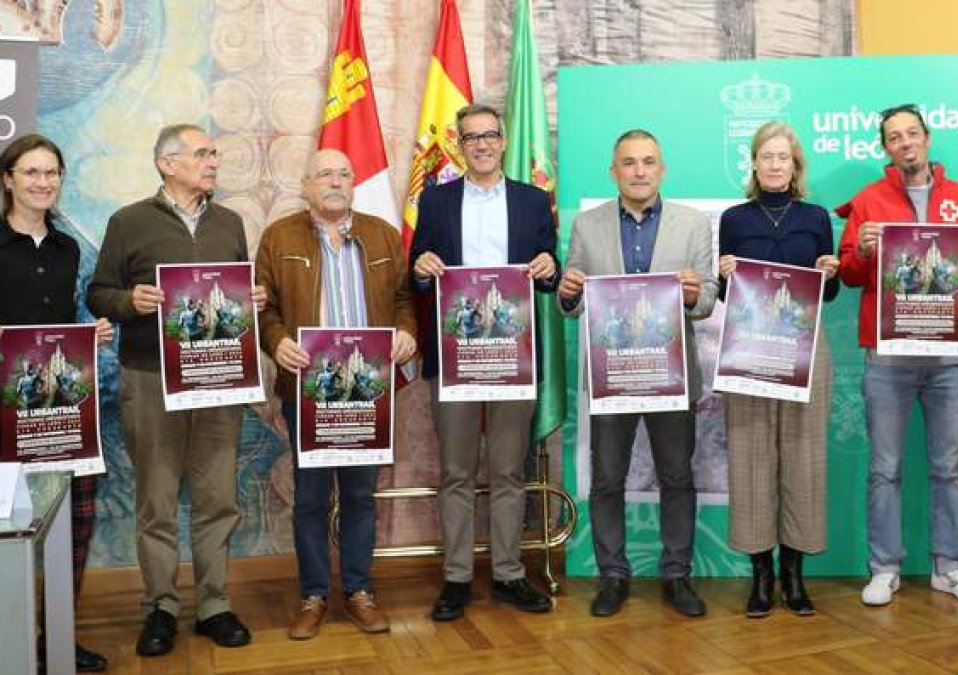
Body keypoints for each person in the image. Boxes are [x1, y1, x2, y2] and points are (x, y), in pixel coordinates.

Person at [87, 123, 265, 656]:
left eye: (213, 154)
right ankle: (161, 607)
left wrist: (251, 299)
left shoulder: (230, 222)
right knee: (157, 501)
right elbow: (100, 293)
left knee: (217, 498)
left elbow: (234, 298)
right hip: (150, 378)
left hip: (218, 381)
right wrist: (129, 302)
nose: (212, 161)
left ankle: (214, 605)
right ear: (168, 163)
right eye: (202, 154)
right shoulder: (128, 222)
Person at [256, 148, 417, 639]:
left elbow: (404, 298)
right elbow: (262, 304)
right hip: (308, 388)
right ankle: (312, 595)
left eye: (344, 173)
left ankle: (359, 591)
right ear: (306, 184)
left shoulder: (381, 234)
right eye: (324, 174)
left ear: (353, 182)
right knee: (309, 497)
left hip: (368, 388)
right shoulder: (279, 237)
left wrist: (407, 332)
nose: (335, 181)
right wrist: (277, 341)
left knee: (361, 495)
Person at [835, 104, 958, 606]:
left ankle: (950, 565)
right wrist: (859, 249)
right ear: (885, 148)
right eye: (893, 137)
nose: (904, 142)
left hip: (948, 355)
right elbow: (848, 275)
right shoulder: (867, 200)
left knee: (948, 468)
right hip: (888, 357)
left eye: (911, 133)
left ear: (927, 137)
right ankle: (884, 567)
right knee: (885, 468)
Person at [557, 129, 718, 618]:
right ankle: (613, 576)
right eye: (629, 162)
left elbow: (709, 295)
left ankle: (677, 575)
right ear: (615, 172)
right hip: (612, 376)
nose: (640, 170)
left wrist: (694, 295)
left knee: (677, 477)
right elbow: (572, 300)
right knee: (607, 479)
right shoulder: (587, 226)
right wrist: (568, 292)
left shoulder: (692, 225)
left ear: (661, 169)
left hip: (672, 374)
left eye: (648, 161)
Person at [410, 103, 558, 622]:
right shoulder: (435, 201)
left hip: (514, 357)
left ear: (502, 140)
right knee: (454, 470)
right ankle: (455, 579)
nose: (481, 145)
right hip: (455, 355)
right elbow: (418, 272)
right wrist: (424, 268)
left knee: (507, 470)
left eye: (490, 135)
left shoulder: (534, 201)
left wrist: (549, 266)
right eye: (470, 137)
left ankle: (509, 574)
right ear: (459, 144)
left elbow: (551, 269)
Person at [0, 133, 114, 672]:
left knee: (75, 524)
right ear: (8, 179)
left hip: (66, 411)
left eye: (52, 174)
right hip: (4, 414)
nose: (43, 183)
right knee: (7, 526)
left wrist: (93, 335)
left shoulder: (70, 249)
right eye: (31, 173)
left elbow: (67, 327)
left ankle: (56, 640)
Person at [717, 121, 840, 618]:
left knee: (803, 460)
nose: (774, 165)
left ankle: (794, 577)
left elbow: (827, 294)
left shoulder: (815, 217)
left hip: (805, 350)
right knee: (750, 461)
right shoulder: (733, 218)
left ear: (796, 166)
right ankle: (760, 578)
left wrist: (829, 274)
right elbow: (727, 294)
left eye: (783, 157)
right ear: (753, 163)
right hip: (748, 351)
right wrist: (722, 275)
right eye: (766, 156)